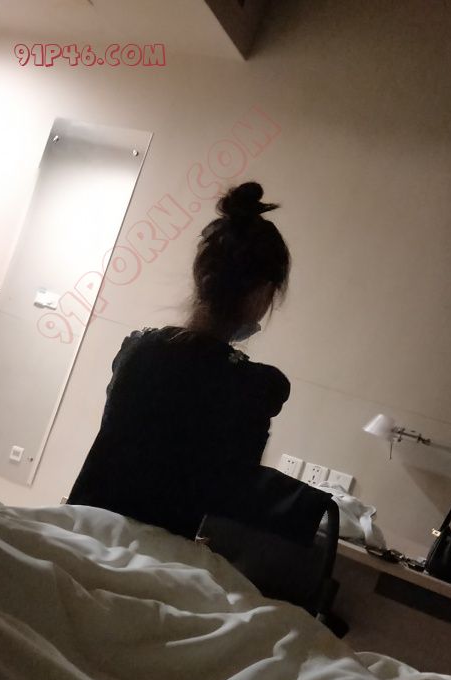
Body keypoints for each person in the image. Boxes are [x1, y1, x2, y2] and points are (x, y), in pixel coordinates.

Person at [68, 181, 330, 542]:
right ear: (262, 295)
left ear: (200, 277)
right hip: (150, 552)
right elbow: (228, 496)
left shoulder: (138, 349)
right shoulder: (255, 387)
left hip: (79, 528)